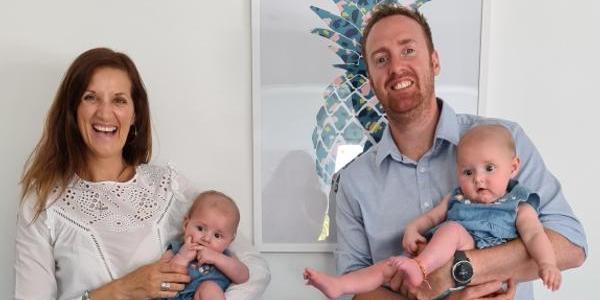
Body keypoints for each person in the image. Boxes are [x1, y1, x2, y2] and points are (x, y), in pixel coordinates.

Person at [332, 3, 587, 300]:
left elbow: (571, 245)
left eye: (408, 50)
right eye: (381, 59)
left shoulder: (506, 142)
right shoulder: (353, 183)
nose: (396, 67)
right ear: (371, 82)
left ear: (434, 61)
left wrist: (460, 268)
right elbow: (352, 290)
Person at [15, 47, 270, 300]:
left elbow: (255, 270)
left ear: (134, 113)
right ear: (72, 109)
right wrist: (119, 291)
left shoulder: (170, 189)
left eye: (119, 100)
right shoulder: (43, 204)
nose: (104, 113)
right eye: (90, 97)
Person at [305, 125, 561, 299]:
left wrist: (547, 263)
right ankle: (341, 286)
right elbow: (431, 218)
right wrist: (413, 229)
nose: (478, 179)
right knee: (389, 267)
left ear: (513, 167)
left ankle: (419, 266)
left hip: (478, 262)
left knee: (453, 229)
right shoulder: (458, 197)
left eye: (490, 168)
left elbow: (535, 236)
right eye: (468, 172)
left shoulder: (518, 205)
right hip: (437, 268)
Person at [166, 190, 249, 300]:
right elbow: (162, 280)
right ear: (186, 225)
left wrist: (216, 258)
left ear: (229, 241)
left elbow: (243, 276)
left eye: (217, 235)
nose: (206, 239)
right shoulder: (175, 250)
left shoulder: (226, 257)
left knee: (209, 288)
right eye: (200, 228)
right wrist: (182, 257)